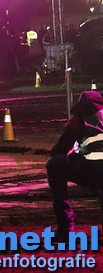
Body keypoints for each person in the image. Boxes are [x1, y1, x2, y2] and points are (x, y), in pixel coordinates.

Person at [47, 91, 103, 241]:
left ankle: (65, 228)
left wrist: (74, 151)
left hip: (93, 168)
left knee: (54, 164)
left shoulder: (80, 116)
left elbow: (59, 149)